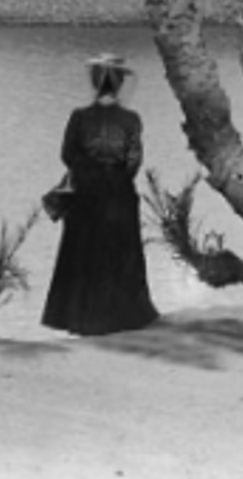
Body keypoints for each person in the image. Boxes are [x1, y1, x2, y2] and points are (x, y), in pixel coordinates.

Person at [41, 53, 158, 336]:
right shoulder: (131, 119)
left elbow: (68, 154)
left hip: (86, 191)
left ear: (95, 82)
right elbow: (133, 162)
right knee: (119, 253)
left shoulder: (80, 117)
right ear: (119, 85)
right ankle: (120, 318)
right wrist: (114, 180)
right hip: (118, 192)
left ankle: (83, 318)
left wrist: (88, 174)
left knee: (84, 253)